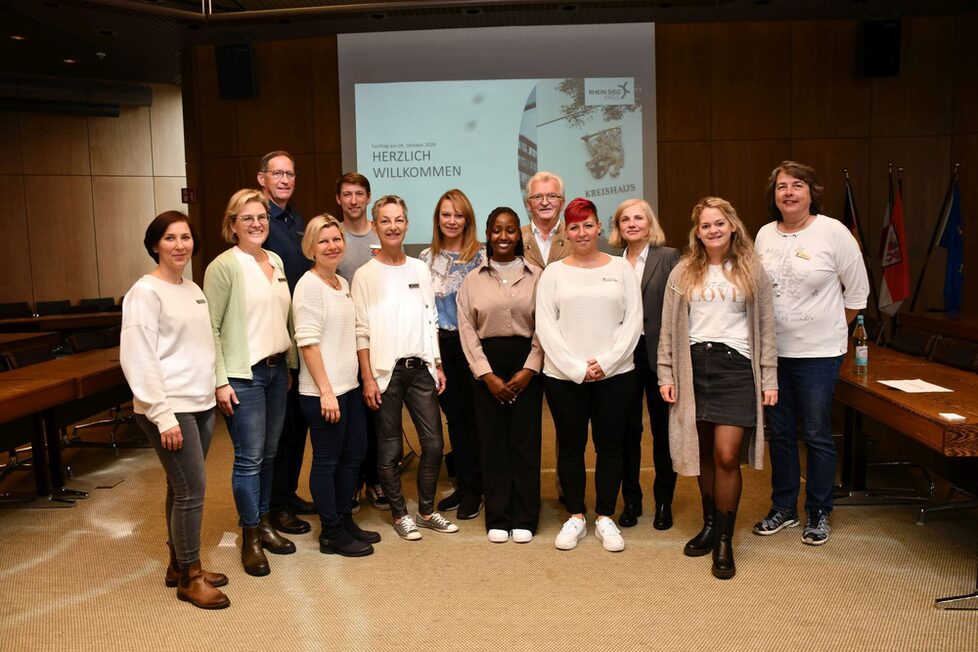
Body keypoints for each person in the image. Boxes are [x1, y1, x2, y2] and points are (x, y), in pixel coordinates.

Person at [658, 197, 778, 579]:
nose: (713, 230)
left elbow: (767, 328)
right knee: (704, 453)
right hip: (693, 367)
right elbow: (667, 329)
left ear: (732, 226)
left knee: (727, 455)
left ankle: (725, 541)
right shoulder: (683, 272)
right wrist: (666, 374)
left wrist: (769, 377)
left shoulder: (752, 270)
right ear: (698, 232)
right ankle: (709, 526)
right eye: (705, 225)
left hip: (736, 369)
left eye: (719, 223)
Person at [753, 161, 869, 546]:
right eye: (781, 186)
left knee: (817, 432)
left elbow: (857, 293)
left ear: (810, 192)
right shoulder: (765, 235)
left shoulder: (833, 232)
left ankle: (819, 510)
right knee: (780, 433)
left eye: (796, 185)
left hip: (819, 353)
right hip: (774, 353)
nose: (788, 192)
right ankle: (784, 506)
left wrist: (832, 327)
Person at [120, 211, 229, 610]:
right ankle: (191, 576)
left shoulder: (192, 288)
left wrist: (216, 385)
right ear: (154, 245)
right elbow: (138, 358)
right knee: (192, 491)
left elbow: (202, 345)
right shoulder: (144, 293)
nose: (180, 245)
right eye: (170, 238)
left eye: (185, 237)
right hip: (169, 407)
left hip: (199, 403)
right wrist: (162, 415)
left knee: (180, 487)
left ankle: (176, 564)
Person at [535, 197, 642, 552]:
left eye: (588, 225)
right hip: (564, 377)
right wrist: (578, 367)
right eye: (575, 226)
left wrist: (606, 363)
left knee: (611, 446)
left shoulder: (621, 268)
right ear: (566, 232)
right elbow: (546, 326)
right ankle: (576, 516)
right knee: (570, 446)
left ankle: (606, 516)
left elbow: (633, 323)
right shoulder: (554, 273)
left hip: (616, 375)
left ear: (599, 227)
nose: (582, 232)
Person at [352, 195, 458, 541]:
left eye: (398, 220)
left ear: (407, 224)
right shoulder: (365, 275)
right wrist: (368, 378)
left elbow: (431, 319)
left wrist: (438, 363)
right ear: (375, 226)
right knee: (391, 449)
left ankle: (427, 511)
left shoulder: (419, 269)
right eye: (385, 220)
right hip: (386, 375)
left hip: (422, 370)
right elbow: (361, 330)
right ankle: (400, 515)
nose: (393, 227)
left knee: (433, 442)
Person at [203, 188, 297, 576]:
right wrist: (220, 381)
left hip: (276, 373)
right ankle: (251, 537)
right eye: (248, 218)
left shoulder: (274, 260)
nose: (257, 223)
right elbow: (210, 327)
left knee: (270, 454)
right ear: (232, 225)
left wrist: (289, 366)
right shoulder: (224, 267)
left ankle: (264, 522)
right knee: (249, 458)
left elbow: (284, 318)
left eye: (262, 217)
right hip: (244, 376)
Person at [293, 214, 379, 557]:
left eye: (336, 239)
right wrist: (326, 391)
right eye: (324, 241)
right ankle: (330, 532)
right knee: (328, 461)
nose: (332, 246)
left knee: (354, 455)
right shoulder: (309, 285)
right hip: (322, 393)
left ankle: (344, 519)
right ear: (311, 247)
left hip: (349, 388)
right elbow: (308, 343)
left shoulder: (341, 283)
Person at [457, 207, 544, 544]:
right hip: (487, 367)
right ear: (488, 234)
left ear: (518, 236)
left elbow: (545, 326)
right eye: (496, 230)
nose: (503, 237)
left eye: (510, 230)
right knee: (492, 443)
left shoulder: (537, 276)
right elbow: (466, 329)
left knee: (525, 442)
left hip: (526, 365)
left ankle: (524, 516)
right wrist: (486, 374)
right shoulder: (472, 279)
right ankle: (498, 515)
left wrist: (529, 368)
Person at [608, 198, 680, 530]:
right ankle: (631, 501)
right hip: (623, 356)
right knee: (627, 433)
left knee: (663, 433)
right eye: (626, 219)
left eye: (639, 218)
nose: (633, 224)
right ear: (618, 228)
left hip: (659, 356)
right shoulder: (610, 264)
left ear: (650, 224)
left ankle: (664, 502)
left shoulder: (669, 258)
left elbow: (680, 311)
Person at [256, 150, 315, 536]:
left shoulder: (298, 221)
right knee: (274, 434)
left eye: (290, 174)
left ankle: (289, 494)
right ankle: (273, 506)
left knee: (297, 427)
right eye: (277, 173)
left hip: (300, 337)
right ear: (262, 178)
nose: (284, 180)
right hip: (272, 339)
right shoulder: (259, 221)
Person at [420, 189, 486, 518]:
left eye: (458, 215)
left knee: (476, 417)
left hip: (471, 344)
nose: (452, 220)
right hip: (439, 347)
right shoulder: (424, 260)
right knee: (456, 419)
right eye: (446, 214)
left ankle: (478, 487)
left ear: (468, 220)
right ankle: (465, 483)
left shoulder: (480, 258)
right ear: (437, 219)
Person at [334, 172, 388, 512]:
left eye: (359, 194)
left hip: (377, 334)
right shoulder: (332, 235)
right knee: (351, 414)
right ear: (338, 200)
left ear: (368, 198)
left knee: (377, 413)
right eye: (347, 194)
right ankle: (353, 482)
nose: (353, 200)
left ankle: (377, 480)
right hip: (340, 336)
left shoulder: (379, 233)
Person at [521, 171, 569, 269]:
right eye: (538, 197)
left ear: (562, 204)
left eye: (552, 196)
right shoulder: (516, 238)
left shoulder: (575, 237)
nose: (545, 202)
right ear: (528, 204)